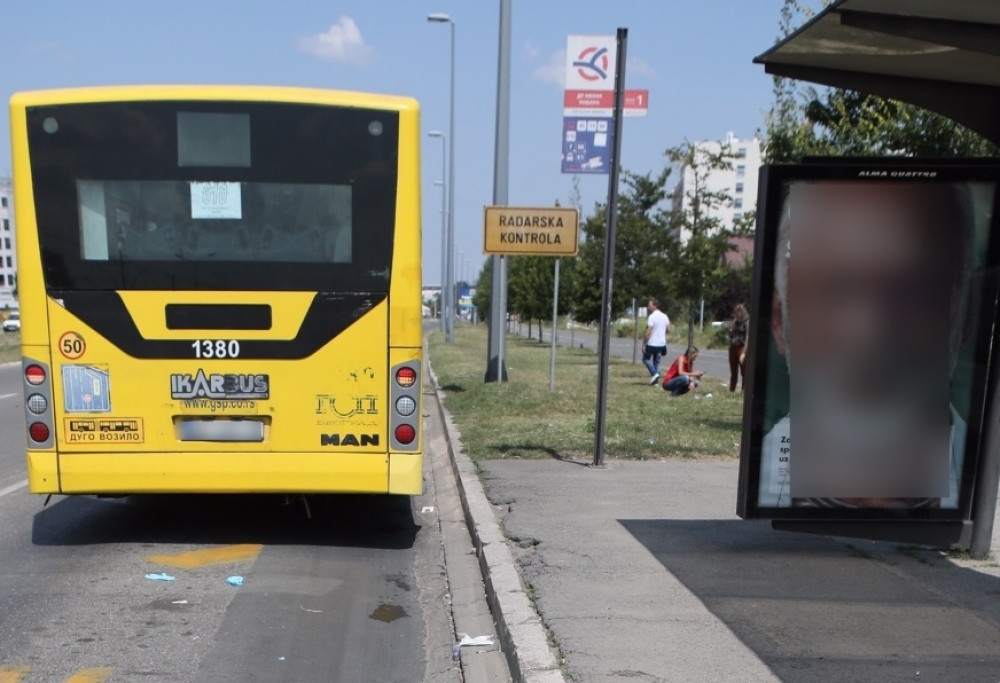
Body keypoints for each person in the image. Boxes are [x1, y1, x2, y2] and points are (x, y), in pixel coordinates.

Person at [759, 180, 975, 509]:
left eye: (910, 290)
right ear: (779, 318)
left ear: (965, 315)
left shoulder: (983, 490)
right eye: (834, 290)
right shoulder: (764, 477)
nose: (866, 332)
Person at [641, 298, 670, 385]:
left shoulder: (652, 316)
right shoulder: (664, 316)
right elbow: (668, 329)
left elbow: (648, 331)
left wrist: (644, 343)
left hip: (652, 343)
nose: (648, 307)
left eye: (650, 306)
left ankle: (654, 374)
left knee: (645, 359)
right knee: (657, 362)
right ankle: (655, 382)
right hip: (661, 343)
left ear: (655, 306)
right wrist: (662, 332)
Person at [728, 303, 749, 392]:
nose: (736, 314)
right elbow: (732, 333)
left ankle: (743, 390)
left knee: (744, 371)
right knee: (733, 371)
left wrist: (744, 352)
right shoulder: (735, 321)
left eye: (737, 312)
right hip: (733, 346)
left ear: (742, 312)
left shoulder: (747, 321)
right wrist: (730, 332)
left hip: (741, 347)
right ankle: (732, 389)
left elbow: (748, 337)